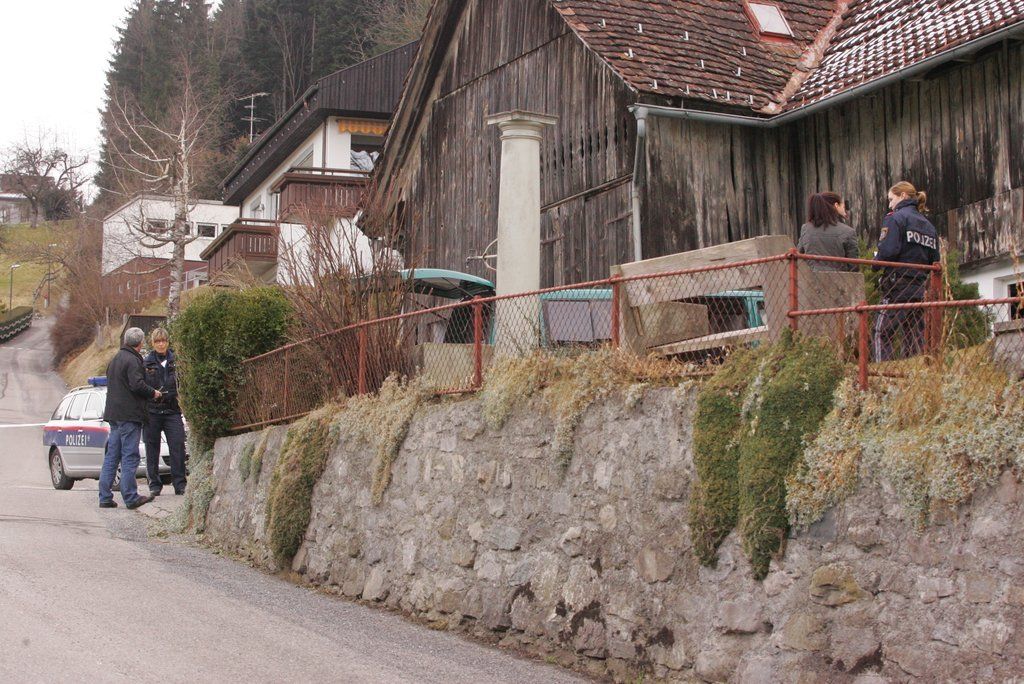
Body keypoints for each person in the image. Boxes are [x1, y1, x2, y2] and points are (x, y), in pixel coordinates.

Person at [872, 181, 941, 361]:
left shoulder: (895, 218)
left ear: (902, 195)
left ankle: (882, 371)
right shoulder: (929, 226)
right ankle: (913, 371)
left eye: (891, 199)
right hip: (919, 286)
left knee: (881, 331)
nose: (890, 205)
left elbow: (888, 251)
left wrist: (875, 263)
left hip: (896, 285)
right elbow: (935, 258)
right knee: (913, 335)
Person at [99, 327, 161, 509]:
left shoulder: (115, 359)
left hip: (114, 415)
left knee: (112, 456)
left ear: (126, 340)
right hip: (129, 415)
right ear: (140, 343)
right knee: (130, 455)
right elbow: (137, 385)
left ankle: (104, 496)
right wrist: (154, 393)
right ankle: (130, 496)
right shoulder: (133, 360)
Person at [143, 328, 187, 496]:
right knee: (152, 448)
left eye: (163, 341)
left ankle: (180, 483)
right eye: (157, 341)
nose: (161, 344)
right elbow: (142, 386)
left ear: (168, 342)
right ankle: (154, 484)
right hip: (152, 411)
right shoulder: (146, 363)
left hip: (172, 410)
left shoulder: (177, 360)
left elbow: (182, 383)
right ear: (153, 343)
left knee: (177, 446)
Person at [797, 191, 859, 271]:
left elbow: (799, 255)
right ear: (836, 205)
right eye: (843, 206)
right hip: (839, 277)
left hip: (811, 276)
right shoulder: (849, 232)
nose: (845, 210)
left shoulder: (806, 229)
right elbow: (853, 266)